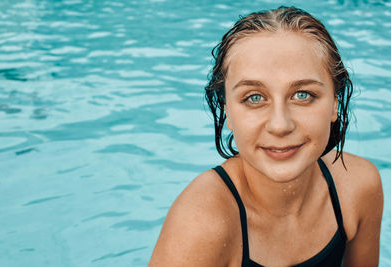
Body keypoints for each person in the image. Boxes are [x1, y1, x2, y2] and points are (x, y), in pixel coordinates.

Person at [149, 6, 383, 267]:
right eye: (255, 98)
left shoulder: (358, 187)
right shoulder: (202, 224)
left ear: (334, 104)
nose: (280, 125)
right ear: (227, 111)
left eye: (303, 94)